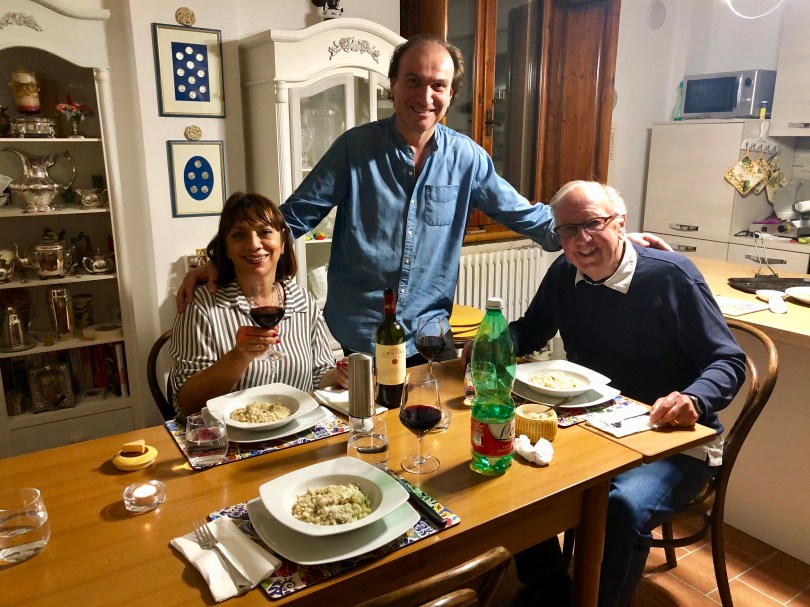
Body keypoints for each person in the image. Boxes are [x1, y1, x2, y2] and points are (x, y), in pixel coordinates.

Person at [178, 34, 669, 364]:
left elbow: (531, 218)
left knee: (425, 451)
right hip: (355, 340)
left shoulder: (468, 158)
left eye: (438, 85)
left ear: (450, 94)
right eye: (413, 80)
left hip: (428, 339)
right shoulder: (353, 149)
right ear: (393, 85)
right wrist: (218, 260)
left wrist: (608, 236)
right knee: (358, 450)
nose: (425, 95)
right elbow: (290, 220)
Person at [507, 181, 746, 607]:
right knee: (515, 469)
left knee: (622, 509)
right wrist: (493, 342)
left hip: (673, 440)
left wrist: (694, 399)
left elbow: (728, 361)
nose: (581, 239)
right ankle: (549, 589)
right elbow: (530, 330)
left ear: (620, 224)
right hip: (593, 425)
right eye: (567, 229)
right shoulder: (563, 273)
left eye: (593, 224)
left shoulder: (670, 276)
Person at [169, 192, 346, 416]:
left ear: (282, 242)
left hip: (296, 428)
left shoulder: (303, 300)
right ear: (226, 249)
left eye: (264, 232)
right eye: (239, 235)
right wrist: (239, 356)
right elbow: (186, 404)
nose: (254, 244)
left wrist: (340, 375)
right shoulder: (201, 305)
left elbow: (319, 373)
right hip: (230, 435)